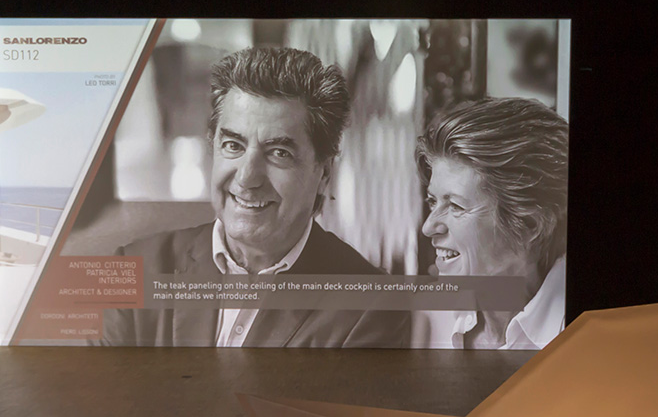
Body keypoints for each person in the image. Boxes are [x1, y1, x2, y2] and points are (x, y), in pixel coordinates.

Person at [103, 46, 410, 347]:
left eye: (279, 153)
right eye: (233, 146)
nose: (247, 178)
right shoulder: (135, 269)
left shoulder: (370, 307)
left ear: (324, 174)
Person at [417, 97, 569, 350]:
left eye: (456, 206)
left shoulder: (588, 337)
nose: (428, 227)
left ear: (530, 225)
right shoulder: (426, 323)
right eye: (433, 201)